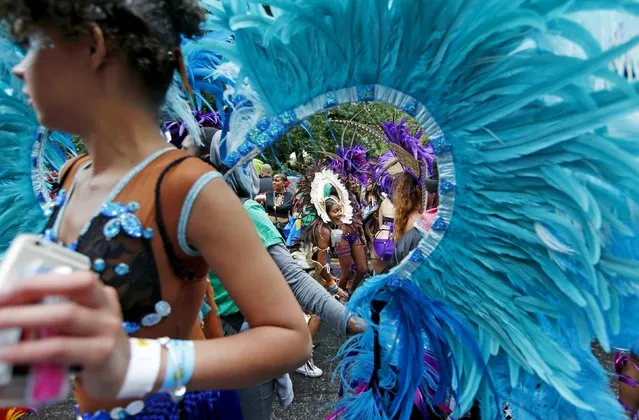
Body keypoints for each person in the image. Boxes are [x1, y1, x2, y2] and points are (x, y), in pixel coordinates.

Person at [0, 2, 311, 419]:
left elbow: (291, 337)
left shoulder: (188, 185)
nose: (20, 69)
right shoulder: (73, 175)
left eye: (33, 45)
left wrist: (140, 364)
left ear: (92, 48)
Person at [183, 129, 358, 419]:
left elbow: (293, 278)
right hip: (195, 350)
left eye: (189, 159)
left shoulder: (244, 211)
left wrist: (346, 320)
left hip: (240, 346)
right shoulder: (180, 215)